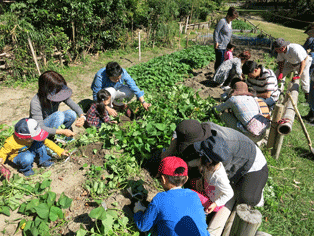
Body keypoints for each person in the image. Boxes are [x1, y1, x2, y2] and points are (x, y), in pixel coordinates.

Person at [161, 119, 268, 207]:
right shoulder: (199, 129)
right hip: (231, 154)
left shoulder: (222, 151)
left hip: (252, 163)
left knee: (247, 198)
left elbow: (214, 175)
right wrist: (168, 152)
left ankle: (255, 188)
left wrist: (201, 180)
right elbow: (178, 132)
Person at [133, 156, 210, 236]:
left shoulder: (160, 199)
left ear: (163, 179)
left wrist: (138, 211)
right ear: (186, 179)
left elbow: (143, 226)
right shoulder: (194, 195)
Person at [0, 118, 69, 176]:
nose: (35, 139)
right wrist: (1, 160)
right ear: (23, 138)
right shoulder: (10, 142)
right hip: (18, 156)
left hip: (28, 149)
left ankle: (44, 160)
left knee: (40, 143)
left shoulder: (29, 139)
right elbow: (3, 152)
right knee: (27, 157)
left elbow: (47, 142)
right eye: (33, 137)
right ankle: (26, 170)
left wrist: (60, 151)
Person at [30, 71, 85, 138]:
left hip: (55, 122)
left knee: (71, 114)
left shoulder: (58, 94)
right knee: (59, 115)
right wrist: (62, 131)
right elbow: (40, 128)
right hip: (41, 130)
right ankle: (53, 138)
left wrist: (82, 117)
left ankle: (63, 136)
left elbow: (74, 105)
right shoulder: (35, 102)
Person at [190, 136, 234, 214]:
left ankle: (202, 209)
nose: (199, 158)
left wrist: (215, 204)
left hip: (212, 201)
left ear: (208, 161)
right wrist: (187, 164)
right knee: (192, 182)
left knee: (190, 194)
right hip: (206, 189)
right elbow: (198, 162)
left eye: (201, 156)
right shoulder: (210, 164)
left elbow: (230, 193)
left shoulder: (219, 177)